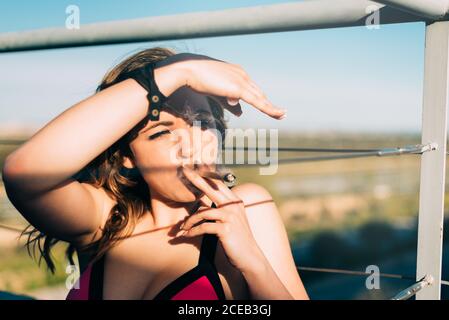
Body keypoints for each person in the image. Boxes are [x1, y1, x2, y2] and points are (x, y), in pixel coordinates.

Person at [2, 47, 308, 300]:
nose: (190, 145)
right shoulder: (104, 220)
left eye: (202, 122)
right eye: (162, 132)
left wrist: (256, 266)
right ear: (126, 155)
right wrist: (180, 71)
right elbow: (24, 172)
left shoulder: (247, 209)